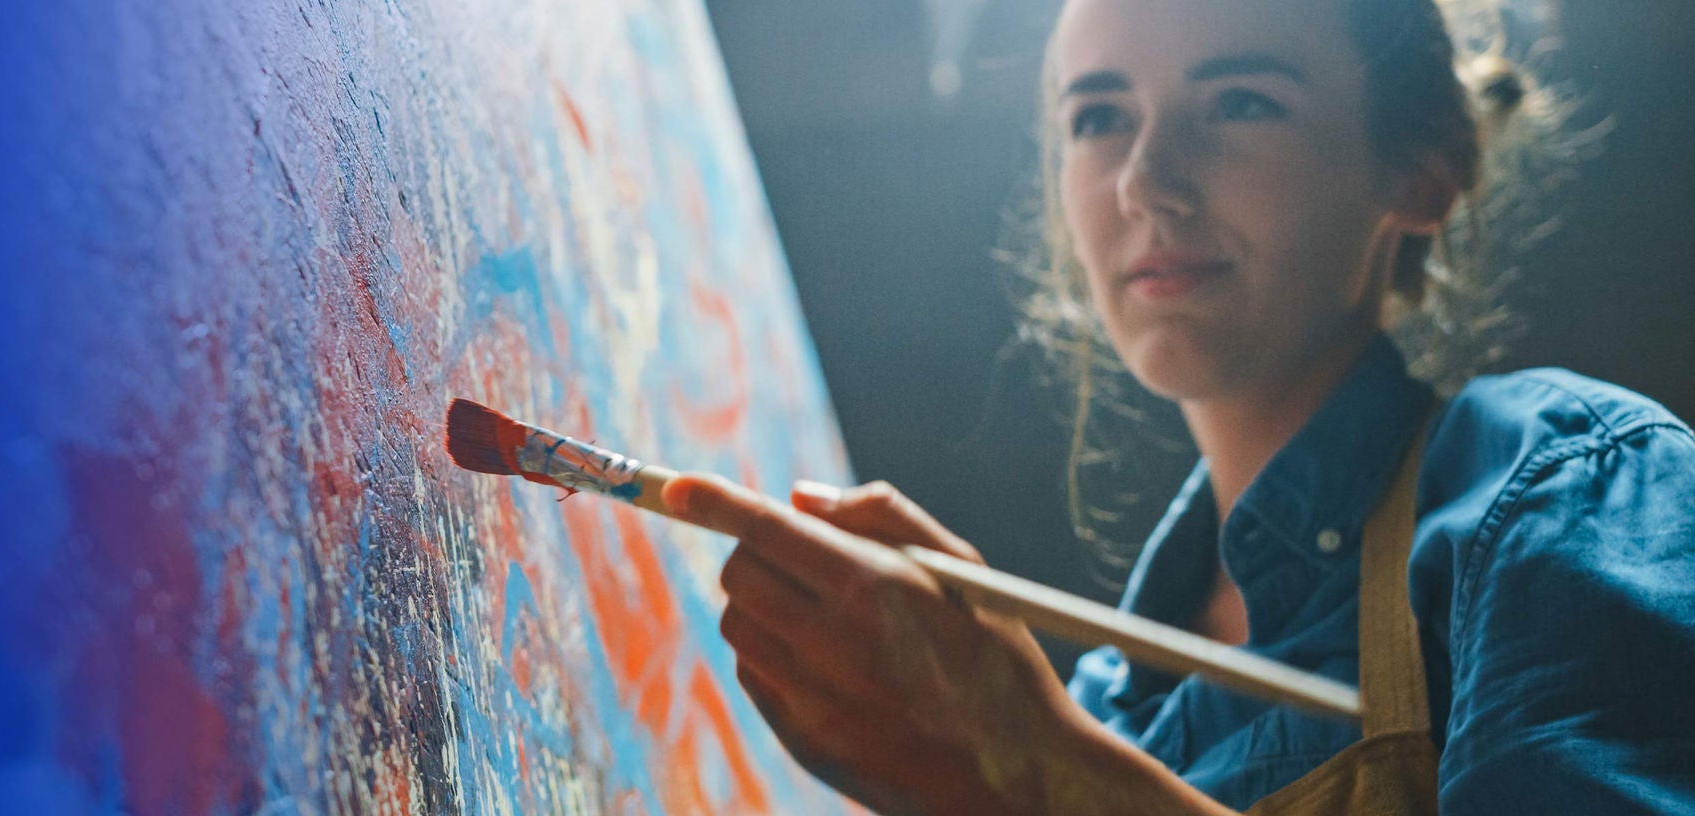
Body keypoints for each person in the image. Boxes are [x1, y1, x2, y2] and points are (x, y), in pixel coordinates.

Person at [658, 0, 1695, 812]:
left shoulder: (1555, 489)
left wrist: (1035, 776)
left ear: (1420, 170)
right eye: (1097, 118)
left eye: (1239, 101)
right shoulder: (1113, 708)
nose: (1145, 181)